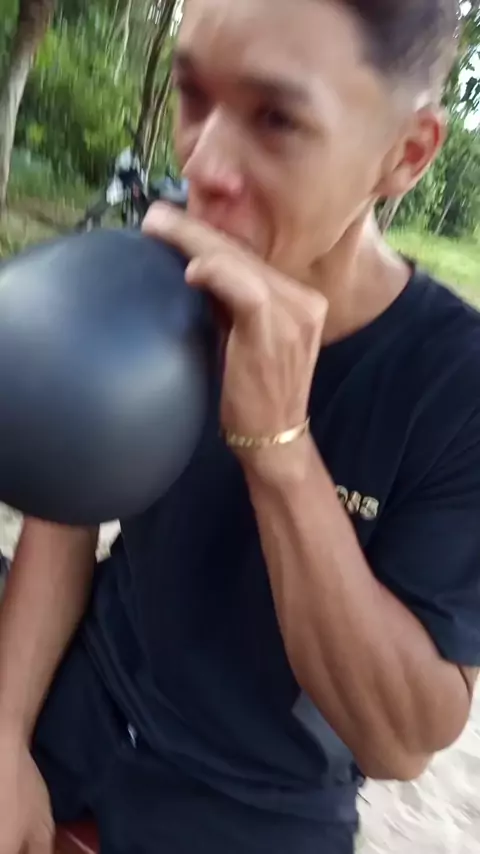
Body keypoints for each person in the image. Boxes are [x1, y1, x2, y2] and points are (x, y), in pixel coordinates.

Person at [1, 0, 479, 852]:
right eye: (193, 96)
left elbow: (401, 740)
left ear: (406, 154)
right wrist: (5, 732)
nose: (204, 163)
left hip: (253, 802)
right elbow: (66, 508)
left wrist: (280, 449)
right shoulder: (162, 271)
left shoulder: (455, 386)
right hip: (85, 692)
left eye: (275, 119)